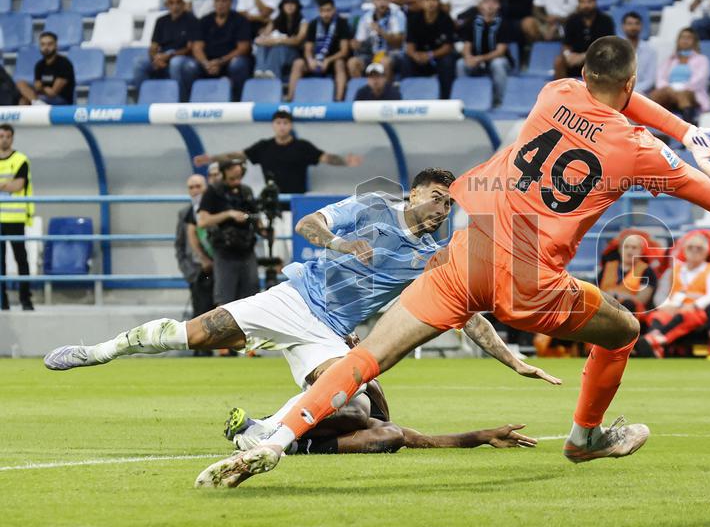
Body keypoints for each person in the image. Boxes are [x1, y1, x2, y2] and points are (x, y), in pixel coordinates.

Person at [194, 35, 710, 487]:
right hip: (530, 280)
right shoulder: (638, 150)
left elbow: (616, 94)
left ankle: (277, 437)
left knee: (365, 358)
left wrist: (685, 130)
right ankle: (585, 438)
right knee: (623, 330)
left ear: (584, 74)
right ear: (632, 83)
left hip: (471, 249)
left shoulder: (554, 92)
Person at [46, 171, 561, 444]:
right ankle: (99, 351)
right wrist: (340, 244)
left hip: (330, 332)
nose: (442, 209)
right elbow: (307, 224)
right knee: (193, 334)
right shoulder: (371, 207)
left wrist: (513, 360)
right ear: (414, 194)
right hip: (293, 299)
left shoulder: (431, 258)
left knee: (357, 405)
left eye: (449, 204)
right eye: (436, 198)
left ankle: (264, 430)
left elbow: (467, 315)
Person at [227, 379, 540, 455]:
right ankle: (268, 429)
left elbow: (423, 440)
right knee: (360, 410)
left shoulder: (370, 391)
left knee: (392, 434)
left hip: (323, 425)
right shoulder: (332, 372)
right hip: (314, 411)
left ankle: (283, 440)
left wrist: (484, 436)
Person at [193, 110, 362, 197]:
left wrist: (345, 161)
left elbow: (326, 157)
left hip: (296, 202)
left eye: (285, 123)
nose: (282, 126)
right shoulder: (263, 147)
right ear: (273, 125)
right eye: (278, 123)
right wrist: (211, 159)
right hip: (273, 203)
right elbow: (237, 156)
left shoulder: (302, 147)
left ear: (291, 126)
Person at [635, 233, 710, 357]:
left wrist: (694, 305)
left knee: (685, 316)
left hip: (698, 312)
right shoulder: (673, 270)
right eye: (690, 247)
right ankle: (656, 347)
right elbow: (661, 294)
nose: (694, 250)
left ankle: (655, 340)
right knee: (658, 316)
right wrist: (667, 306)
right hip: (673, 308)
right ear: (684, 250)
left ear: (706, 252)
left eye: (699, 248)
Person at [195, 160, 260, 307]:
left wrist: (261, 226)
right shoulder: (213, 192)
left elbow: (256, 217)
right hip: (225, 252)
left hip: (246, 249)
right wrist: (228, 214)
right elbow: (203, 221)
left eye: (239, 177)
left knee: (251, 298)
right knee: (225, 299)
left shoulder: (246, 191)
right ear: (224, 173)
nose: (236, 181)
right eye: (232, 178)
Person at [187, 0, 253, 102]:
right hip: (207, 63)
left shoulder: (240, 20)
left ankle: (238, 102)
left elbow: (243, 48)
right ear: (213, 2)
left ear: (231, 2)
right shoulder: (204, 20)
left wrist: (220, 61)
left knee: (238, 64)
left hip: (230, 62)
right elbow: (197, 47)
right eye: (217, 0)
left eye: (224, 0)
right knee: (183, 65)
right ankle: (186, 102)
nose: (220, 4)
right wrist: (206, 64)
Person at [285, 0, 353, 102]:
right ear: (319, 11)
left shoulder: (342, 23)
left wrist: (328, 60)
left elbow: (344, 51)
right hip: (316, 60)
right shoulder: (313, 24)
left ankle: (339, 99)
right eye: (322, 11)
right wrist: (310, 60)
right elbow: (308, 48)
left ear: (334, 10)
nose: (325, 14)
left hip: (332, 61)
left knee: (339, 64)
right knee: (298, 63)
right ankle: (290, 99)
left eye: (328, 10)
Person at [458, 0, 514, 107]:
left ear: (498, 6)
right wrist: (468, 57)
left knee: (497, 64)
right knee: (461, 64)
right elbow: (466, 45)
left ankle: (498, 102)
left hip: (498, 60)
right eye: (487, 2)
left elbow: (500, 51)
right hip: (476, 61)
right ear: (481, 4)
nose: (490, 5)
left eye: (494, 2)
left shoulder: (504, 23)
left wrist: (480, 59)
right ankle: (464, 100)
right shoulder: (472, 22)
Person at [176, 174, 215, 343]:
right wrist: (188, 271)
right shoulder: (184, 213)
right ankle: (200, 350)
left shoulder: (215, 210)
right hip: (196, 270)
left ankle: (227, 351)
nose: (195, 190)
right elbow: (179, 244)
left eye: (198, 186)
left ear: (206, 188)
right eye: (191, 187)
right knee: (200, 313)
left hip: (219, 268)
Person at [0, 124, 33, 311]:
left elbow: (18, 185)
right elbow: (10, 185)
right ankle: (2, 301)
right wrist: (6, 184)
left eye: (7, 136)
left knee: (21, 259)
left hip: (15, 217)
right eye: (1, 136)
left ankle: (25, 300)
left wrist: (7, 185)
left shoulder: (21, 160)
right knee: (0, 263)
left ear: (12, 138)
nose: (4, 139)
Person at [402, 0, 457, 99]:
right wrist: (415, 55)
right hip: (420, 55)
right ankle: (410, 96)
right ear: (422, 2)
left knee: (448, 61)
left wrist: (430, 55)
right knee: (406, 60)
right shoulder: (413, 19)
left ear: (438, 2)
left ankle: (445, 98)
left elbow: (448, 47)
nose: (431, 3)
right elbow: (409, 46)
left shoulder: (446, 19)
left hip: (438, 56)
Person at [649, 27, 710, 122]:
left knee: (683, 96)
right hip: (669, 92)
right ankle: (648, 128)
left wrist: (680, 89)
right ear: (678, 41)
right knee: (654, 95)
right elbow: (660, 77)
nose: (685, 40)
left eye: (689, 38)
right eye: (682, 37)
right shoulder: (670, 60)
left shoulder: (702, 59)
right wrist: (668, 88)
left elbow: (699, 80)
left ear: (695, 42)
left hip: (691, 92)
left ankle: (688, 127)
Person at [139, 0, 199, 84]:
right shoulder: (161, 21)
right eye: (171, 3)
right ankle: (145, 92)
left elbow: (190, 48)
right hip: (163, 56)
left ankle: (178, 93)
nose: (175, 6)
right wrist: (155, 58)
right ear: (166, 5)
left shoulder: (191, 20)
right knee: (140, 63)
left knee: (175, 63)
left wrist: (170, 56)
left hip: (182, 57)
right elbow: (153, 46)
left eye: (178, 2)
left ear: (183, 3)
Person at [348, 0, 407, 81]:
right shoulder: (366, 17)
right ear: (373, 1)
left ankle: (387, 89)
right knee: (353, 62)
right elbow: (360, 41)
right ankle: (362, 89)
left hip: (393, 55)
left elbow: (397, 44)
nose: (382, 3)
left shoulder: (397, 15)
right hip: (372, 54)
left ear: (389, 0)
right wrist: (356, 44)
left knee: (384, 62)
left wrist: (381, 31)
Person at [555, 0, 614, 79]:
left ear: (595, 2)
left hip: (596, 60)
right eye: (582, 2)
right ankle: (564, 87)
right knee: (559, 61)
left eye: (589, 1)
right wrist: (568, 55)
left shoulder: (606, 21)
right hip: (575, 60)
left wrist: (584, 56)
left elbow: (607, 47)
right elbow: (566, 44)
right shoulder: (572, 20)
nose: (586, 5)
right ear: (578, 4)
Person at [598, 233, 657, 316]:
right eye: (626, 247)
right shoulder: (607, 267)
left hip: (632, 313)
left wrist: (620, 295)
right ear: (620, 249)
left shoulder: (647, 271)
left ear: (641, 251)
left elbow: (642, 299)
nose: (629, 251)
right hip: (605, 309)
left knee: (628, 304)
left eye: (634, 247)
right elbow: (596, 290)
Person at [253, 0, 307, 80]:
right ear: (282, 6)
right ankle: (260, 71)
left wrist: (279, 40)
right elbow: (262, 38)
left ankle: (272, 74)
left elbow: (298, 40)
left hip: (294, 54)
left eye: (293, 3)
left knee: (278, 48)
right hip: (275, 49)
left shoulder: (303, 22)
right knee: (262, 46)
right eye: (287, 3)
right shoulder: (276, 20)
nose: (290, 6)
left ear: (297, 6)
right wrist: (269, 40)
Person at [16, 32, 75, 106]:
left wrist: (41, 88)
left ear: (56, 45)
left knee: (28, 100)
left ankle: (37, 104)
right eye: (43, 44)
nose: (46, 47)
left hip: (61, 100)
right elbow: (38, 87)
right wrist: (39, 89)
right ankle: (37, 104)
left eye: (49, 44)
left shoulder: (64, 64)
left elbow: (53, 92)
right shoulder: (39, 65)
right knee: (21, 88)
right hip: (42, 97)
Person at [619, 11, 655, 95]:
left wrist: (633, 91)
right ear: (623, 27)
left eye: (637, 23)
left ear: (641, 26)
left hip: (643, 94)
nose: (633, 27)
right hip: (619, 92)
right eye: (629, 24)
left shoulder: (650, 51)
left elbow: (650, 80)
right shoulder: (616, 49)